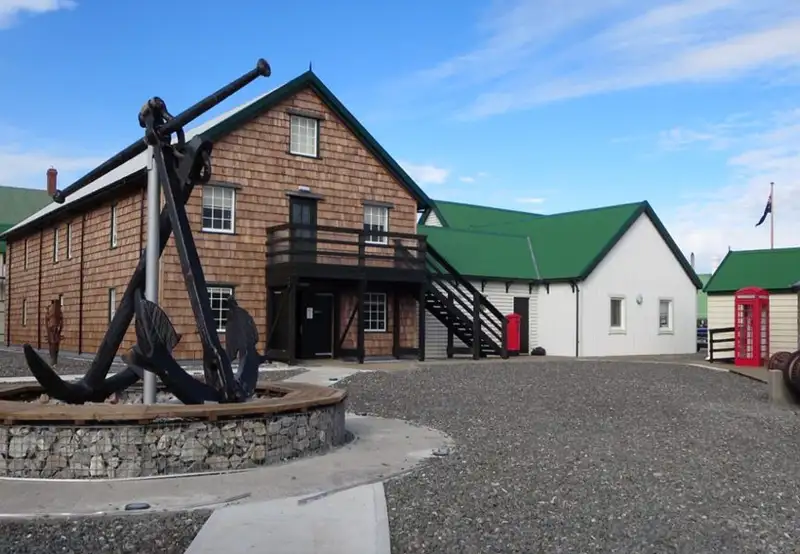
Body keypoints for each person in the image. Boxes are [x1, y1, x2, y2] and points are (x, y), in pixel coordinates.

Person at [46, 299, 64, 366]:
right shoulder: (54, 312)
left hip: (54, 331)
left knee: (54, 345)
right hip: (53, 331)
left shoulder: (55, 312)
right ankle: (53, 360)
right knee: (53, 345)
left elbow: (61, 322)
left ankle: (54, 360)